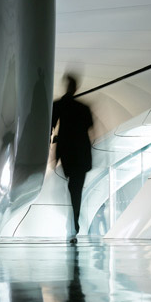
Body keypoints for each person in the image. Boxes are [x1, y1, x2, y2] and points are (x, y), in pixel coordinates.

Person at [52, 74, 93, 243]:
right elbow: (89, 128)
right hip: (81, 156)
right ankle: (73, 222)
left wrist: (57, 140)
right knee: (76, 191)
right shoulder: (83, 108)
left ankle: (72, 223)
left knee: (70, 190)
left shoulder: (59, 105)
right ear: (76, 88)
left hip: (67, 155)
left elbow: (51, 126)